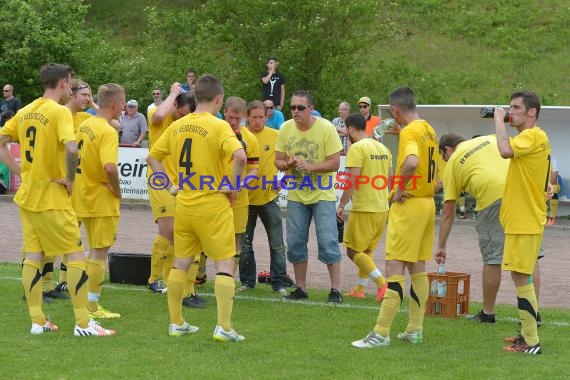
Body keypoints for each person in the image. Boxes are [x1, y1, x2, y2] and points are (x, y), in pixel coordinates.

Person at [0, 63, 114, 336]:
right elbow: (72, 148)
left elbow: (2, 140)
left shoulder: (26, 110)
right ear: (62, 83)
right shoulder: (60, 111)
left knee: (34, 256)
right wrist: (70, 179)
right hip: (52, 197)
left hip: (27, 197)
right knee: (75, 255)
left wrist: (20, 172)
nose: (71, 88)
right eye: (70, 82)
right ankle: (83, 323)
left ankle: (38, 320)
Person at [147, 74, 247, 341]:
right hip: (213, 204)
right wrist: (233, 185)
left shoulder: (178, 125)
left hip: (185, 204)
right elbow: (240, 156)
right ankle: (224, 327)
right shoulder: (219, 126)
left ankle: (177, 322)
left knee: (181, 262)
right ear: (219, 99)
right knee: (224, 262)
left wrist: (169, 186)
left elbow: (151, 156)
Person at [352, 86, 436, 348]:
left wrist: (400, 189)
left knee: (395, 268)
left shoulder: (410, 131)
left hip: (409, 205)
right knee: (418, 268)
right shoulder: (428, 129)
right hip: (427, 204)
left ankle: (381, 332)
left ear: (396, 110)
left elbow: (410, 162)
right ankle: (414, 329)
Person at [494, 91, 550, 354]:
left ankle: (531, 341)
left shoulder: (533, 135)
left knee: (521, 276)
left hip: (526, 220)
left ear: (532, 113)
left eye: (516, 107)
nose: (510, 112)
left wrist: (497, 120)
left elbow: (505, 150)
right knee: (520, 275)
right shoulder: (532, 139)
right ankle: (527, 335)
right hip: (523, 218)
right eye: (508, 108)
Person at [275, 90, 343, 303]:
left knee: (328, 240)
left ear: (311, 108)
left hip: (322, 193)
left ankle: (335, 290)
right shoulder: (285, 128)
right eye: (292, 107)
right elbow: (277, 160)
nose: (295, 111)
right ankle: (301, 289)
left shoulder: (326, 127)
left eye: (300, 108)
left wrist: (311, 167)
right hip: (296, 194)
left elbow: (335, 162)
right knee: (294, 242)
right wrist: (288, 164)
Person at [436, 133, 512, 322]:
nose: (446, 160)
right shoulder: (490, 137)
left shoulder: (453, 162)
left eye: (443, 157)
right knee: (531, 255)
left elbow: (448, 212)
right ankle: (534, 313)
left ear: (448, 150)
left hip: (492, 200)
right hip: (521, 191)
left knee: (493, 258)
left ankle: (488, 313)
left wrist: (441, 245)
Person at [72, 83, 124, 319]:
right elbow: (110, 167)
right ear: (115, 104)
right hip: (101, 200)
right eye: (122, 103)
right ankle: (92, 306)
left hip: (82, 195)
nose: (123, 107)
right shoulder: (107, 131)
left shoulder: (86, 124)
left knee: (84, 251)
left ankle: (82, 298)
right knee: (98, 253)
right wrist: (117, 191)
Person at [145, 83, 195, 299]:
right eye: (181, 113)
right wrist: (174, 93)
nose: (182, 118)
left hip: (178, 180)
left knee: (178, 232)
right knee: (168, 228)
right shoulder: (159, 114)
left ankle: (169, 277)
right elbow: (158, 117)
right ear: (174, 104)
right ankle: (154, 278)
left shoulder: (183, 123)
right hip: (159, 178)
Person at [336, 113, 390, 301]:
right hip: (382, 206)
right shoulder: (383, 148)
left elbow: (353, 179)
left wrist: (342, 204)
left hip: (364, 207)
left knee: (352, 250)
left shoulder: (357, 148)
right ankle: (359, 288)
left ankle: (383, 283)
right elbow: (388, 177)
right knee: (366, 251)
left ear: (350, 129)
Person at [239, 100, 288, 294]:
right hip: (245, 199)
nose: (258, 121)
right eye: (254, 117)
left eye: (261, 117)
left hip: (269, 199)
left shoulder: (276, 136)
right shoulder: (239, 136)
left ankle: (279, 283)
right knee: (244, 244)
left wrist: (283, 183)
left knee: (277, 244)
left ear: (266, 116)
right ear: (247, 117)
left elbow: (289, 161)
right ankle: (247, 282)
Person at [223, 97, 260, 287]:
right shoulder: (215, 132)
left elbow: (254, 169)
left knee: (236, 238)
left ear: (244, 117)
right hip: (216, 195)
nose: (233, 122)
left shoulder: (249, 138)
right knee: (206, 235)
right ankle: (199, 275)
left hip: (239, 198)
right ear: (224, 112)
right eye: (230, 117)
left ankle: (229, 278)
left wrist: (241, 183)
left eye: (237, 118)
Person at [547, 157, 560, 225]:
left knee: (553, 188)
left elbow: (553, 181)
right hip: (540, 184)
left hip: (552, 184)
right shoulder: (535, 159)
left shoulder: (553, 160)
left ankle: (552, 217)